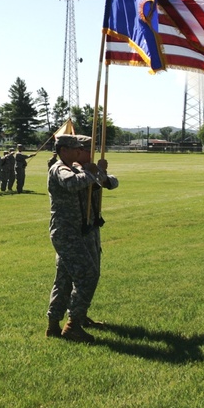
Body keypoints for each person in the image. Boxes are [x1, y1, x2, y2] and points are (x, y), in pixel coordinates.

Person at [45, 134, 119, 343]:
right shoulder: (60, 168)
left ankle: (57, 323)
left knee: (66, 279)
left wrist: (101, 175)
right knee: (87, 274)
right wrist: (95, 172)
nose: (84, 153)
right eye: (81, 149)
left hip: (85, 230)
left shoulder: (83, 169)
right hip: (67, 233)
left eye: (84, 149)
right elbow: (71, 184)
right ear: (65, 151)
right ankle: (72, 324)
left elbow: (113, 182)